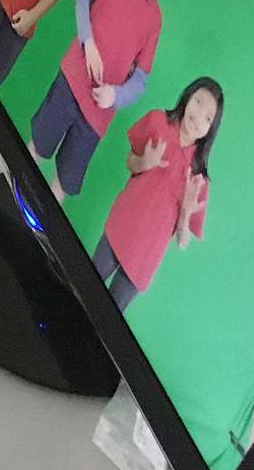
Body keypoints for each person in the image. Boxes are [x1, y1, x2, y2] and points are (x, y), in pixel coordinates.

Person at [29, 0, 185, 198]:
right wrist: (87, 42)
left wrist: (116, 96)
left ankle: (31, 224)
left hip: (98, 116)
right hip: (71, 81)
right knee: (36, 148)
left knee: (63, 183)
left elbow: (140, 80)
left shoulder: (155, 18)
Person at [92, 78, 221, 311]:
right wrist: (146, 162)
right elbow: (130, 163)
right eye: (198, 102)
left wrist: (186, 212)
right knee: (83, 287)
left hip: (143, 261)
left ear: (211, 129)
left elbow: (183, 241)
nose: (199, 116)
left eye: (208, 117)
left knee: (105, 317)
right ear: (188, 97)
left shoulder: (199, 179)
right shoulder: (157, 121)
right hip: (119, 230)